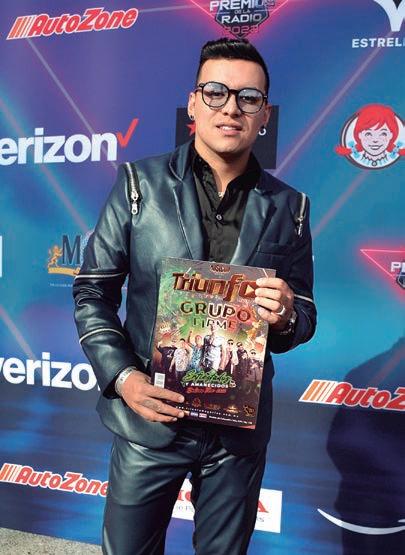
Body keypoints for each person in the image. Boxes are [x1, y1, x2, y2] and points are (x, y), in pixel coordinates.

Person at [73, 37, 316, 555]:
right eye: (216, 92)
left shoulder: (290, 207)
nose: (231, 108)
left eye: (248, 98)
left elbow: (305, 314)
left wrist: (287, 315)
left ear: (264, 114)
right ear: (193, 103)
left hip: (237, 434)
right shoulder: (138, 184)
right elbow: (93, 291)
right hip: (150, 419)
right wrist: (124, 378)